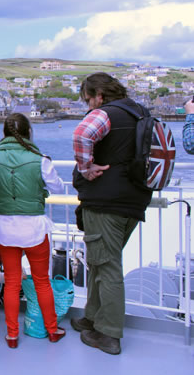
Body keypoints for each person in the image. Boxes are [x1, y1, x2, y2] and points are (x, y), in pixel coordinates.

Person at [71, 72, 154, 355]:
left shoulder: (106, 113)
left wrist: (85, 168)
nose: (88, 106)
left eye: (88, 100)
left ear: (99, 95)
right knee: (99, 262)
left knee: (107, 267)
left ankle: (108, 334)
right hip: (134, 201)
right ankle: (92, 317)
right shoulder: (139, 112)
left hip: (107, 203)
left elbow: (82, 133)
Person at [0, 113, 66, 346]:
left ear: (4, 134)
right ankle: (53, 329)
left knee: (13, 282)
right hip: (34, 228)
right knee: (42, 281)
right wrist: (40, 193)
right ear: (29, 132)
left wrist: (7, 203)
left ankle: (12, 334)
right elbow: (57, 186)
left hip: (5, 229)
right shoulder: (40, 159)